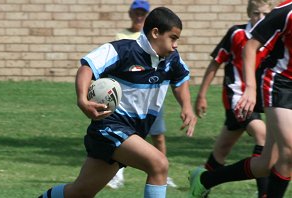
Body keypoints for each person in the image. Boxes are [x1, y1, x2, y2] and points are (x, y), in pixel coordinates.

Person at [39, 7, 197, 198]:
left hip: (133, 132)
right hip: (110, 126)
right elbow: (87, 68)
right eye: (173, 38)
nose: (175, 45)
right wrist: (82, 100)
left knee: (80, 192)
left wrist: (186, 106)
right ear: (155, 33)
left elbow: (180, 80)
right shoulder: (123, 50)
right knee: (159, 164)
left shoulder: (171, 59)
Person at [189, 0, 292, 197]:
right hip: (277, 85)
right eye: (255, 13)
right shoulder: (286, 12)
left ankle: (204, 180)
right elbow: (249, 48)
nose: (259, 17)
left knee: (266, 164)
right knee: (288, 152)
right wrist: (251, 89)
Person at [108, 0, 177, 189]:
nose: (139, 16)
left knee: (158, 136)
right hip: (127, 100)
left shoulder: (156, 39)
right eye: (136, 13)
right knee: (123, 139)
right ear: (131, 14)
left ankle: (163, 174)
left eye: (142, 13)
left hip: (151, 98)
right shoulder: (122, 37)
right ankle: (117, 175)